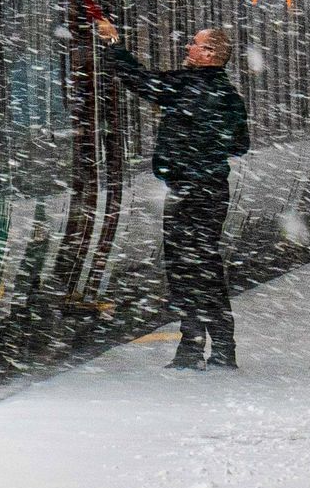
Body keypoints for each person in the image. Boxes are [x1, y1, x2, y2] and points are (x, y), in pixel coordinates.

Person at [95, 19, 251, 369]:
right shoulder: (228, 96)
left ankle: (196, 345)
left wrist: (115, 44)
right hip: (211, 191)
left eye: (195, 44)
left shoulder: (188, 87)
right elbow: (241, 144)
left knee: (186, 268)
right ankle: (217, 346)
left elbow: (141, 81)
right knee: (204, 266)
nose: (188, 49)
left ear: (210, 53)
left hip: (187, 192)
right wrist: (210, 148)